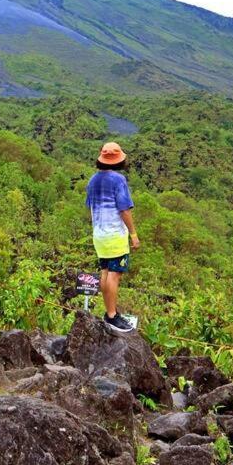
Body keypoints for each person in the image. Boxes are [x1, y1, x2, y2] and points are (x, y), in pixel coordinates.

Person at [85, 142, 140, 333]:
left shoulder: (92, 180)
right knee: (114, 275)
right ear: (119, 161)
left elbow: (90, 209)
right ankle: (111, 316)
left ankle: (109, 312)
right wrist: (133, 234)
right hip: (114, 235)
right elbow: (124, 209)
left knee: (105, 272)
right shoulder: (118, 180)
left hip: (99, 235)